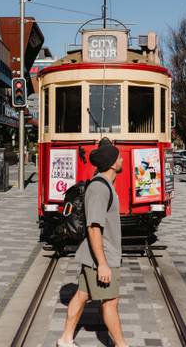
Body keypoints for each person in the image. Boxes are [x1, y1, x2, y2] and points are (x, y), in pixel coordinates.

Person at [58, 138, 128, 347]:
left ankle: (65, 339)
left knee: (81, 295)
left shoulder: (104, 185)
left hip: (96, 255)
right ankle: (122, 345)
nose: (123, 159)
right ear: (113, 163)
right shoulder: (100, 189)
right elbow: (93, 227)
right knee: (110, 303)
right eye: (119, 157)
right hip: (102, 256)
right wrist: (103, 264)